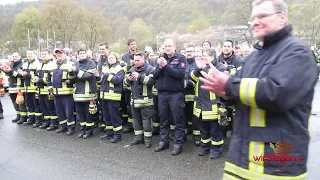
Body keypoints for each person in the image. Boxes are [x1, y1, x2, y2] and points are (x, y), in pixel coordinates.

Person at [200, 0, 318, 179]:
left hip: (277, 167)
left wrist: (229, 86)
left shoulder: (298, 52)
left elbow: (278, 94)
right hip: (239, 162)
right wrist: (225, 94)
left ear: (282, 17)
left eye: (262, 16)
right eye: (253, 18)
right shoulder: (253, 57)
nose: (255, 21)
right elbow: (240, 92)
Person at [153, 39, 186, 156]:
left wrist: (166, 66)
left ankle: (178, 143)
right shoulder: (161, 59)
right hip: (162, 94)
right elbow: (155, 75)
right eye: (165, 46)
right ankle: (164, 141)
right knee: (163, 119)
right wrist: (161, 67)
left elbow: (180, 74)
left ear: (174, 47)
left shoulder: (181, 58)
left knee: (178, 120)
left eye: (169, 46)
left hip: (175, 94)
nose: (167, 48)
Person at [124, 52, 155, 148]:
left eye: (138, 60)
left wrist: (139, 77)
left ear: (144, 60)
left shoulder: (150, 69)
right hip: (134, 100)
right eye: (135, 60)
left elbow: (151, 82)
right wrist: (128, 79)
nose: (136, 62)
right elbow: (125, 84)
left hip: (146, 101)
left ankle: (148, 140)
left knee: (146, 121)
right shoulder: (132, 69)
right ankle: (138, 138)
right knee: (136, 120)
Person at [99, 52, 125, 143]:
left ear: (116, 59)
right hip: (104, 96)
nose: (110, 60)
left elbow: (117, 80)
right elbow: (101, 81)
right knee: (106, 116)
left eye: (112, 58)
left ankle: (118, 135)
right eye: (109, 58)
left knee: (115, 117)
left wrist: (107, 75)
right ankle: (109, 132)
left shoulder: (119, 69)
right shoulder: (105, 68)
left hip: (114, 96)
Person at [73, 48, 98, 139]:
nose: (82, 54)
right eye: (80, 53)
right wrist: (71, 73)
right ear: (78, 55)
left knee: (89, 113)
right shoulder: (75, 64)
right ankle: (82, 129)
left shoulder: (91, 63)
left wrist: (77, 72)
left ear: (86, 54)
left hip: (89, 93)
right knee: (80, 114)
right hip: (78, 94)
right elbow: (72, 78)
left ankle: (89, 131)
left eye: (84, 53)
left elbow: (88, 76)